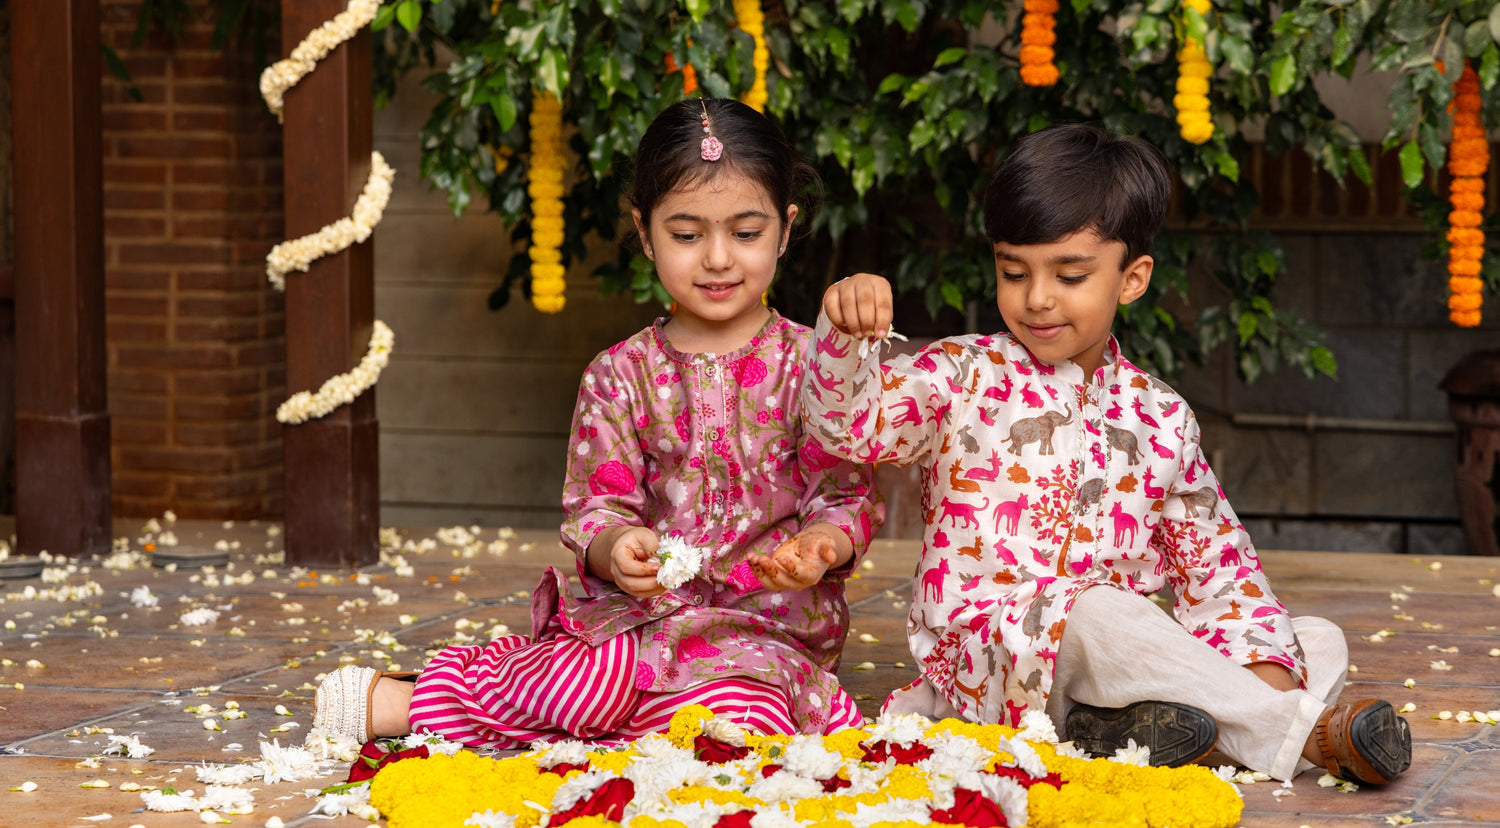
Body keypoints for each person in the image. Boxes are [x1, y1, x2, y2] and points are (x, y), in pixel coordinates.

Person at [799, 123, 1411, 785]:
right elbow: (847, 427)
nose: (1037, 298)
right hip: (989, 670)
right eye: (1013, 271)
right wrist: (843, 334)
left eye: (1069, 274)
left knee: (1314, 638)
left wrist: (1261, 663)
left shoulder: (1162, 417)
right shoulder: (959, 375)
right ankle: (1301, 733)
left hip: (1113, 665)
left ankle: (1139, 729)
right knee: (1097, 611)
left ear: (1132, 278)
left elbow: (1219, 563)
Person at [307, 98, 883, 749]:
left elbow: (844, 493)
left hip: (768, 633)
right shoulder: (618, 374)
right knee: (591, 683)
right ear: (645, 233)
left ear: (784, 229)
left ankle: (641, 727)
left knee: (746, 721)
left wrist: (821, 548)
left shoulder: (814, 366)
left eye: (746, 234)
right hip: (638, 623)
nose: (719, 259)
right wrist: (618, 552)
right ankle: (420, 698)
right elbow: (598, 509)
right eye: (687, 235)